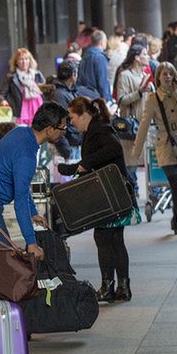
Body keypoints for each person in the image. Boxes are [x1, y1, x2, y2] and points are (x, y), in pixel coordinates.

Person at [0, 102, 69, 260]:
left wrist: (33, 212)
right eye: (63, 128)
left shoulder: (21, 133)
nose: (64, 132)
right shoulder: (26, 156)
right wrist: (31, 243)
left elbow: (21, 185)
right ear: (49, 129)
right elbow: (20, 200)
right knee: (3, 260)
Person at [64, 97, 137, 302]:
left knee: (105, 240)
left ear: (84, 115)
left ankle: (109, 286)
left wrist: (85, 164)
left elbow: (113, 149)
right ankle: (121, 287)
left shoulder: (99, 130)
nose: (71, 122)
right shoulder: (96, 128)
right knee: (114, 240)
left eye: (72, 117)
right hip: (114, 195)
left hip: (110, 195)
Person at [131, 62, 177, 239]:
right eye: (164, 74)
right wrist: (136, 151)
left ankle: (175, 218)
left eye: (170, 73)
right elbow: (144, 125)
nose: (167, 77)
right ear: (158, 77)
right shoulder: (153, 99)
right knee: (176, 183)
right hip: (166, 145)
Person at [114, 45, 153, 195]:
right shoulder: (125, 76)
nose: (148, 57)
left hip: (146, 123)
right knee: (131, 162)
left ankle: (153, 191)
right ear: (137, 57)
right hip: (131, 126)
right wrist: (139, 92)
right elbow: (122, 99)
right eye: (145, 54)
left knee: (148, 159)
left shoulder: (145, 74)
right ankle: (132, 191)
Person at [48, 61, 98, 160]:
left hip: (73, 143)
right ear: (73, 75)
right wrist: (66, 150)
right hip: (68, 147)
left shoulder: (69, 92)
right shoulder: (59, 95)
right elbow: (57, 124)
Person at [5, 47, 46, 127]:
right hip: (21, 111)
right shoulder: (12, 77)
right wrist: (9, 102)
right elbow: (3, 93)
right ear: (16, 62)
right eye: (21, 59)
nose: (24, 62)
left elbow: (45, 91)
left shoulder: (37, 74)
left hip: (38, 107)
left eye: (26, 59)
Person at [77, 30, 113, 101]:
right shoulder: (100, 58)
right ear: (102, 42)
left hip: (84, 97)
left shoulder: (85, 56)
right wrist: (108, 101)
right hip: (96, 99)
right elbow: (103, 82)